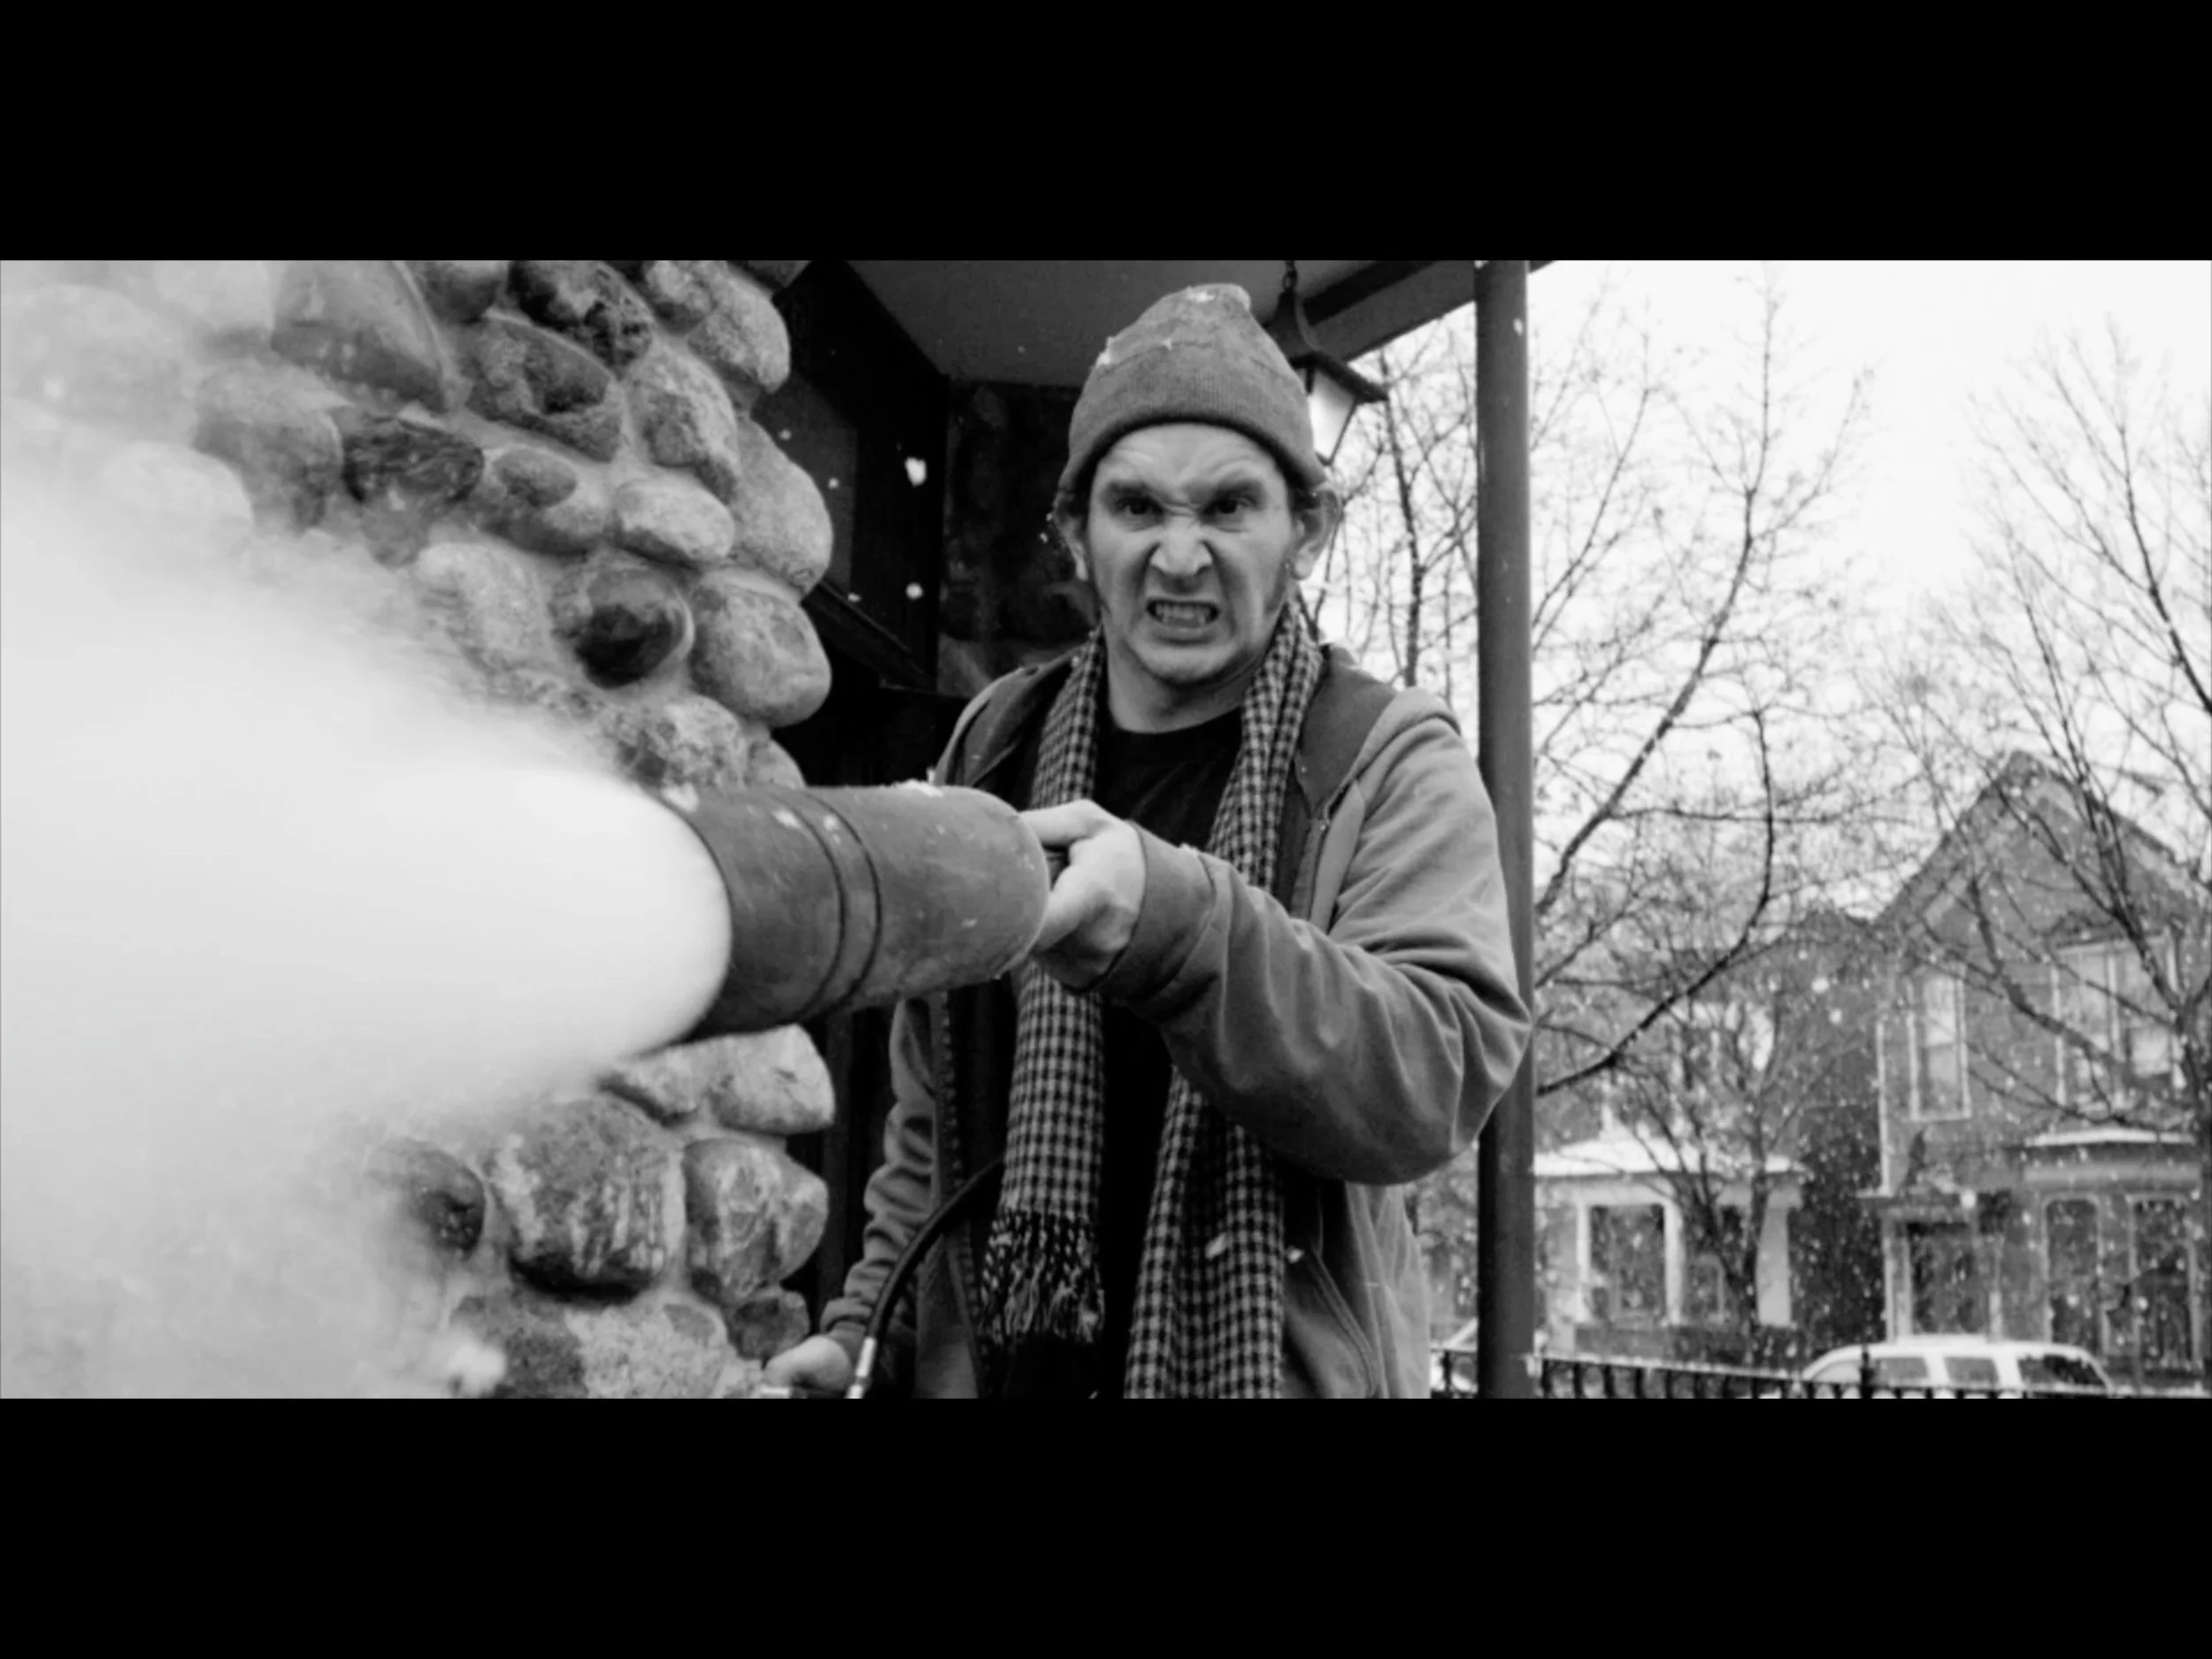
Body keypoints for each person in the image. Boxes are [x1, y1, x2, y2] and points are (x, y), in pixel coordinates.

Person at [765, 284, 1529, 1397]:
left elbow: (1434, 1075)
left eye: (1228, 507)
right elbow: (936, 1119)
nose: (1179, 557)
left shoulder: (1384, 758)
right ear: (1078, 532)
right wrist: (863, 1339)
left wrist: (1174, 929)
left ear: (1307, 530)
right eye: (1136, 507)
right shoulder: (994, 744)